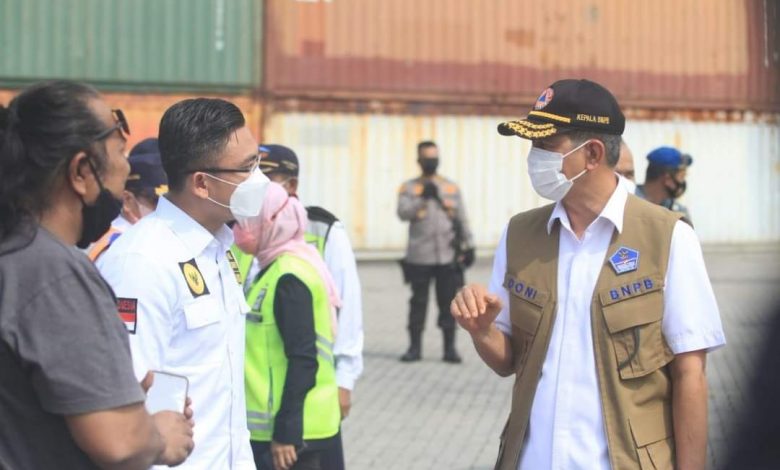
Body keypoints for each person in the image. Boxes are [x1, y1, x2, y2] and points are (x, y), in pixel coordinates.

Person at [451, 79, 725, 470]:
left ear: (592, 154)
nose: (534, 158)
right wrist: (481, 331)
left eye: (546, 145)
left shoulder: (669, 237)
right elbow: (508, 360)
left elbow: (690, 373)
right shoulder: (520, 234)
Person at [0, 80, 193, 469]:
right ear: (81, 172)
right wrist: (158, 435)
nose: (127, 168)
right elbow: (120, 442)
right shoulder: (54, 274)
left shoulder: (15, 255)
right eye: (120, 151)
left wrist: (109, 391)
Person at [97, 98, 267, 469]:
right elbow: (124, 398)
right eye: (247, 168)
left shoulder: (219, 249)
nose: (260, 180)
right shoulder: (142, 262)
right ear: (202, 183)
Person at [253, 144, 364, 469]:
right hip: (264, 399)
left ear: (292, 185)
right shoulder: (246, 228)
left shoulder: (324, 229)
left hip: (312, 394)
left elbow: (348, 308)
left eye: (267, 179)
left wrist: (345, 379)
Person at [233, 182, 342, 470]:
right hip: (290, 427)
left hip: (291, 436)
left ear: (270, 223)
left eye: (247, 222)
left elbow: (303, 359)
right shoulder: (279, 267)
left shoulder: (288, 278)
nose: (239, 230)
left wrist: (285, 432)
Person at [397, 140, 475, 363]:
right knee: (418, 303)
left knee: (448, 304)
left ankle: (450, 349)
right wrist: (422, 199)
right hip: (419, 256)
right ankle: (414, 348)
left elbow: (462, 218)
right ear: (418, 160)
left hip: (447, 256)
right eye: (427, 158)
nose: (431, 161)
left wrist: (469, 245)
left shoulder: (450, 187)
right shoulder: (409, 188)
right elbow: (402, 213)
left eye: (434, 157)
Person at [88, 137, 167, 261]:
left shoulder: (148, 239)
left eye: (170, 203)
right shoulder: (122, 251)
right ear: (128, 201)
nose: (167, 211)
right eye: (156, 202)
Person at [635, 146, 693, 221]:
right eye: (681, 176)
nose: (683, 182)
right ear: (667, 178)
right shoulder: (627, 202)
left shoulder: (678, 213)